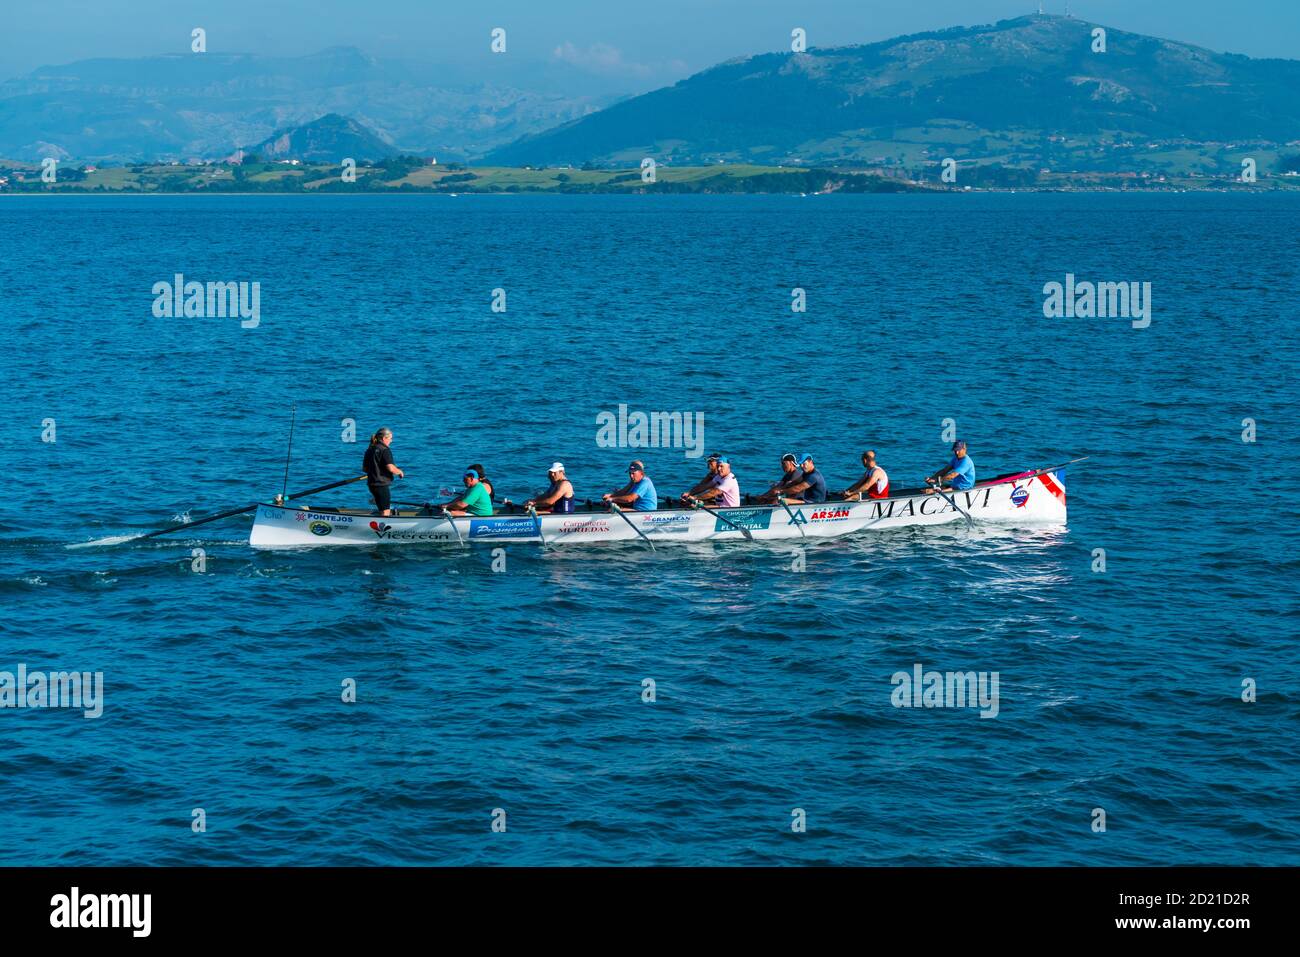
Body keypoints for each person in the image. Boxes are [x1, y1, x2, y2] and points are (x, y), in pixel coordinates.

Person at [362, 427, 404, 516]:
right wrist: (399, 471)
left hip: (372, 484)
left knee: (381, 508)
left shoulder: (370, 449)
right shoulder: (385, 450)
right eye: (390, 438)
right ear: (384, 438)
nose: (391, 441)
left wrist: (376, 468)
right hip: (381, 484)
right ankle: (383, 528)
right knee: (385, 510)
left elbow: (365, 469)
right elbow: (390, 468)